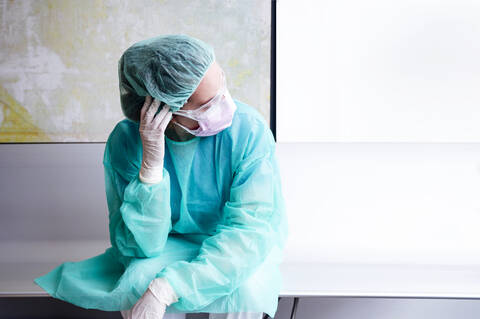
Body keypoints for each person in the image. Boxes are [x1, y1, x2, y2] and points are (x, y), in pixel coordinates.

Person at [33, 34, 288, 319]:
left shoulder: (248, 131)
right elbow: (139, 246)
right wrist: (151, 167)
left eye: (222, 88)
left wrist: (170, 287)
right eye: (207, 103)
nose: (225, 105)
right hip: (167, 245)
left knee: (246, 289)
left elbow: (249, 231)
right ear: (163, 107)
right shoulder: (127, 142)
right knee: (138, 280)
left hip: (235, 247)